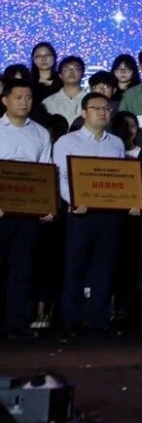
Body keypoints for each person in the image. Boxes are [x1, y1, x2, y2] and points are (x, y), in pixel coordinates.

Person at [53, 92, 131, 334]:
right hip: (80, 213)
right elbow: (60, 177)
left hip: (109, 214)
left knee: (104, 267)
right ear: (83, 112)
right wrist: (74, 200)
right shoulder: (67, 142)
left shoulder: (116, 143)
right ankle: (70, 319)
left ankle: (98, 319)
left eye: (106, 108)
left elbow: (122, 179)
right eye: (96, 108)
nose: (102, 112)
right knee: (75, 267)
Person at [0, 80, 53, 337]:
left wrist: (47, 205)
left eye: (29, 97)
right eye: (19, 97)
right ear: (5, 100)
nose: (24, 102)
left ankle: (16, 323)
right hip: (1, 212)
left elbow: (45, 172)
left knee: (22, 268)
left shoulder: (41, 133)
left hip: (29, 212)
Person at [109, 111, 142, 328]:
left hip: (133, 218)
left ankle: (125, 309)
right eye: (124, 126)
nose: (128, 130)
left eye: (132, 126)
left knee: (130, 264)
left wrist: (138, 202)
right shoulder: (107, 152)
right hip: (110, 216)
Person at [42, 55, 86, 125]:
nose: (71, 72)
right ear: (60, 75)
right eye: (67, 69)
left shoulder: (91, 100)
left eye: (76, 69)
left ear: (82, 74)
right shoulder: (48, 102)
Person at [29, 42, 61, 109]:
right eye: (39, 56)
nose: (43, 59)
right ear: (34, 60)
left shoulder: (63, 81)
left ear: (54, 57)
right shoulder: (28, 82)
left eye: (47, 55)